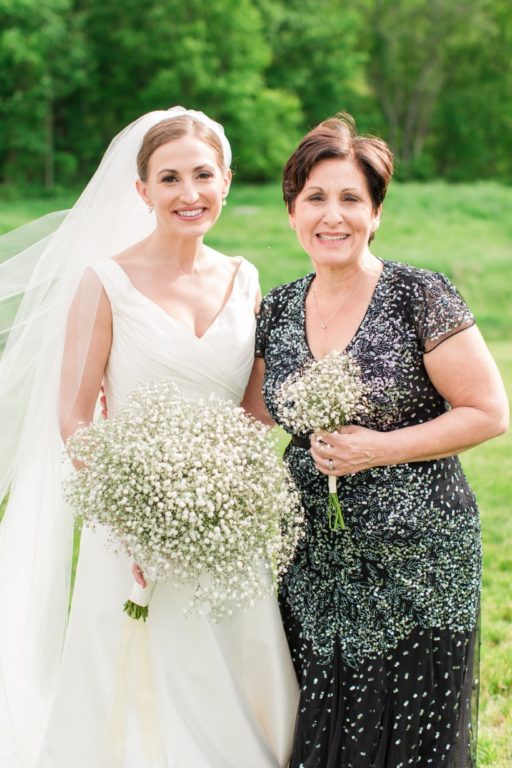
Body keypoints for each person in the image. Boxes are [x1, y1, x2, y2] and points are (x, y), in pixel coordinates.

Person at [0, 107, 298, 768]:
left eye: (203, 175)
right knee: (142, 678)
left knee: (231, 672)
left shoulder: (245, 279)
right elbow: (76, 416)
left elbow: (254, 413)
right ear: (142, 191)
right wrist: (134, 517)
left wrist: (229, 492)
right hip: (131, 520)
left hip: (226, 516)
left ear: (226, 181)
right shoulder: (106, 282)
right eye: (170, 178)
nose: (189, 193)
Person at [242, 112, 509, 768]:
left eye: (351, 199)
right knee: (325, 721)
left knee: (407, 728)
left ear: (376, 212)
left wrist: (379, 448)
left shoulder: (419, 295)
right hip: (311, 558)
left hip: (419, 554)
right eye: (315, 198)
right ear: (292, 213)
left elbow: (487, 411)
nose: (332, 216)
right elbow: (251, 418)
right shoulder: (278, 309)